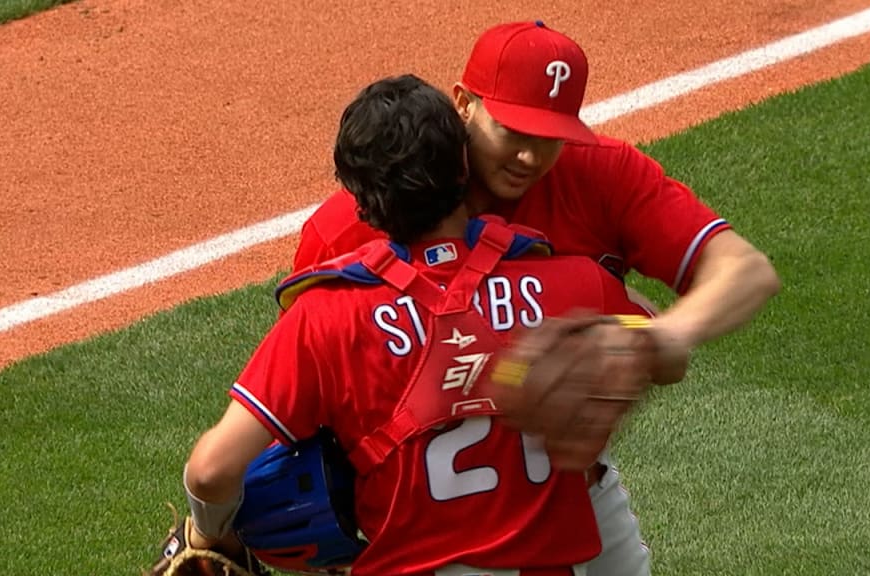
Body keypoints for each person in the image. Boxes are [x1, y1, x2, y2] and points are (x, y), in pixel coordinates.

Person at [290, 20, 781, 576]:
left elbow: (743, 270)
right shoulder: (352, 226)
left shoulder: (601, 174)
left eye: (551, 135)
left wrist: (658, 334)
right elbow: (309, 401)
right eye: (514, 131)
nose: (530, 157)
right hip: (424, 528)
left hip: (575, 494)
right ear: (464, 103)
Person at [175, 74, 675, 576]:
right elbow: (665, 353)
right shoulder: (574, 283)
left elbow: (211, 471)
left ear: (360, 199)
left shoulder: (323, 319)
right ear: (464, 165)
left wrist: (209, 533)